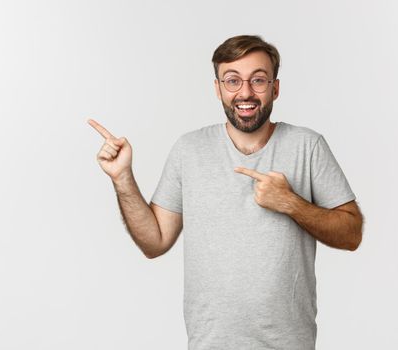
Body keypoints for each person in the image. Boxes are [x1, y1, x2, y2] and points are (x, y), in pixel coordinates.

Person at [88, 34, 363, 350]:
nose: (245, 92)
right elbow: (155, 241)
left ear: (275, 87)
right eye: (232, 81)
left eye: (258, 80)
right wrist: (122, 177)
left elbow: (351, 233)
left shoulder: (307, 146)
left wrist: (290, 202)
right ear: (217, 88)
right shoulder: (188, 150)